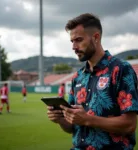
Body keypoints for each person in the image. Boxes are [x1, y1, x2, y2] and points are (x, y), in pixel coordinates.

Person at [47, 13, 138, 150]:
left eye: (78, 40)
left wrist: (88, 119)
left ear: (96, 37)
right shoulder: (77, 77)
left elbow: (130, 125)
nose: (74, 47)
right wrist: (60, 119)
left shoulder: (121, 69)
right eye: (72, 41)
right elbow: (72, 127)